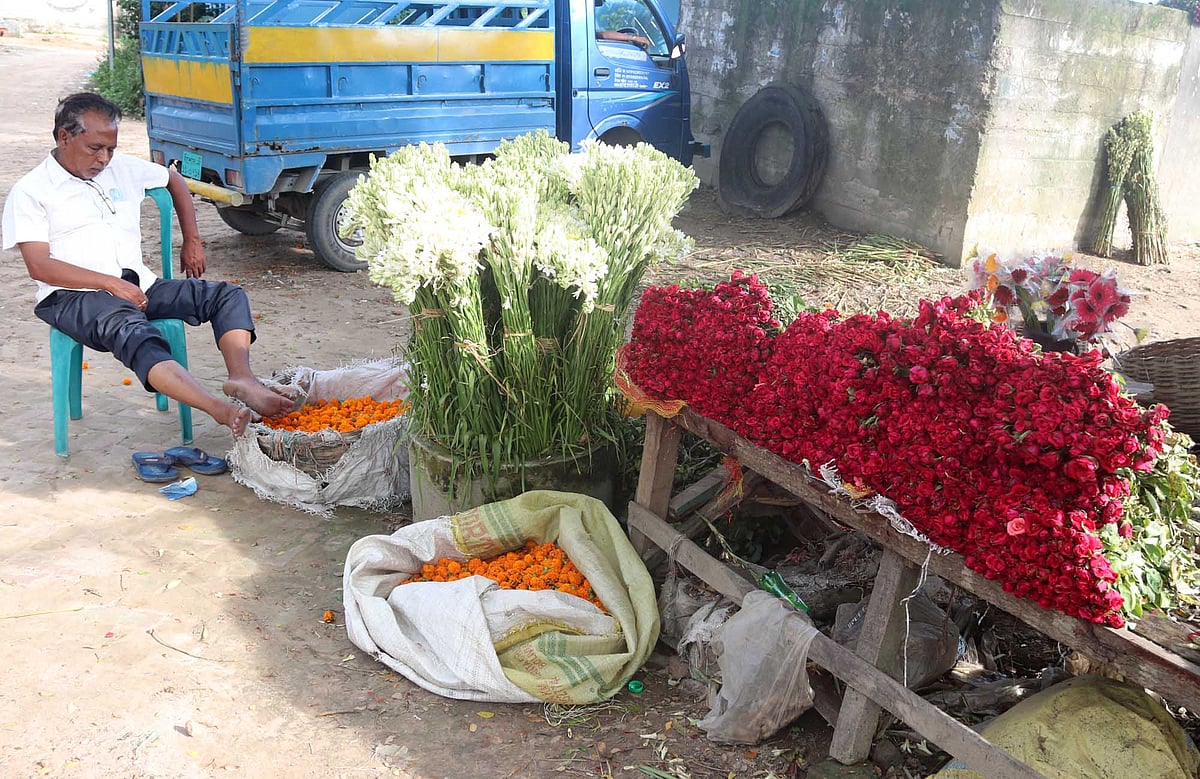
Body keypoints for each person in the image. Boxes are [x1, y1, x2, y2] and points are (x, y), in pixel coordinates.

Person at [1, 92, 293, 438]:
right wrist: (109, 284)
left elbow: (174, 180)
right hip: (73, 296)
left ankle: (241, 378)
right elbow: (40, 265)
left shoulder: (122, 167)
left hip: (139, 284)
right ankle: (219, 410)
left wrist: (192, 240)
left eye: (110, 148)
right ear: (65, 137)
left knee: (225, 296)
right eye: (95, 148)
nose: (105, 158)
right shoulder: (33, 190)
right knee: (137, 333)